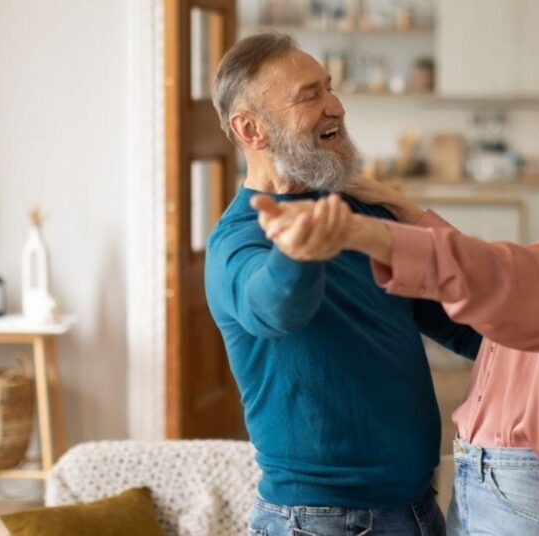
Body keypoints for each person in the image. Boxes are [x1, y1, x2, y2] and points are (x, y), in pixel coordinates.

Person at [254, 54, 539, 536]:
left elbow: (506, 278)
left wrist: (363, 232)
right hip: (492, 477)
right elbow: (502, 274)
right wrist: (402, 208)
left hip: (521, 485)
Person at [205, 32, 481, 535]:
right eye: (309, 95)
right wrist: (297, 253)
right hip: (320, 522)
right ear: (251, 129)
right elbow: (273, 307)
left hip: (419, 509)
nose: (335, 106)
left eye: (329, 88)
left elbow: (465, 323)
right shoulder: (238, 241)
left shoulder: (361, 210)